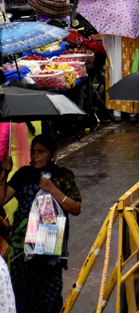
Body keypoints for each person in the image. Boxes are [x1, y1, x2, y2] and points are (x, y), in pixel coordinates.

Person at [0, 134, 82, 313]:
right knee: (21, 295)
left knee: (48, 297)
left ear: (53, 154)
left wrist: (52, 188)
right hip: (21, 247)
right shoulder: (24, 174)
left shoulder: (62, 176)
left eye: (41, 152)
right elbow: (2, 198)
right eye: (33, 152)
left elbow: (75, 208)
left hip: (48, 247)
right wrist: (4, 173)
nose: (35, 156)